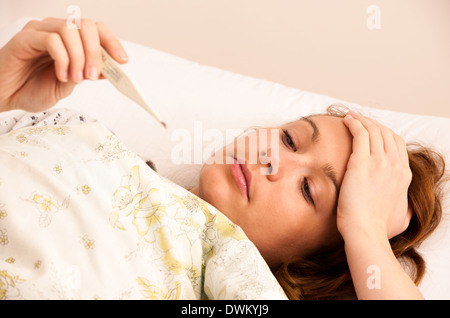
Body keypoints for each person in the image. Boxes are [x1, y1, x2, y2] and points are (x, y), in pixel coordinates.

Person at [0, 18, 446, 300]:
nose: (275, 161)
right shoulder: (84, 132)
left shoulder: (239, 278)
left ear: (312, 262)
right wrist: (5, 89)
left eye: (309, 189)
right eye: (291, 140)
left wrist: (365, 232)